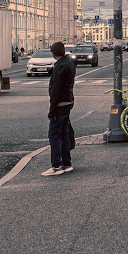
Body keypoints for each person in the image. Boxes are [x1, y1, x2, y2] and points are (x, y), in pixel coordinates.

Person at [42, 41, 76, 176]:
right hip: (68, 100)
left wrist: (52, 110)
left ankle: (56, 165)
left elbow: (55, 90)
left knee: (54, 134)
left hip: (60, 102)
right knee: (64, 133)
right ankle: (67, 163)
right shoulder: (69, 63)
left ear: (53, 52)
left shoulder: (59, 67)